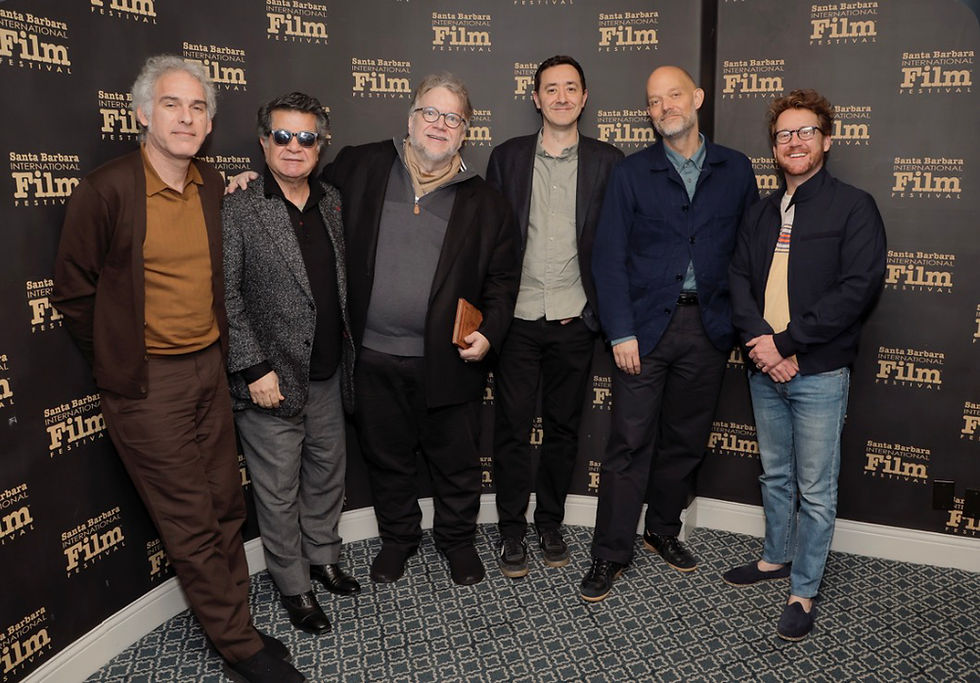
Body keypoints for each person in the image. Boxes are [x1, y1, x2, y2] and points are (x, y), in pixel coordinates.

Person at [52, 55, 304, 682]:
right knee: (190, 520)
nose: (187, 117)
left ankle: (237, 622)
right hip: (146, 385)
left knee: (223, 505)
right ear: (142, 113)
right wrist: (117, 353)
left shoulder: (214, 184)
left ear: (210, 123)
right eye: (172, 104)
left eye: (198, 107)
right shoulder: (107, 190)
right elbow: (75, 294)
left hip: (208, 371)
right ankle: (240, 648)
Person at [322, 73, 520, 585]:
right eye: (429, 113)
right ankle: (398, 540)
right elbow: (300, 197)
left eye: (452, 117)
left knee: (455, 463)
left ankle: (457, 542)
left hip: (448, 361)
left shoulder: (488, 203)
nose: (439, 125)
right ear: (410, 120)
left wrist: (491, 332)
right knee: (387, 460)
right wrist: (248, 181)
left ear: (465, 132)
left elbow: (502, 283)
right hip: (371, 356)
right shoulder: (359, 166)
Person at [582, 65, 758, 602]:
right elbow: (608, 258)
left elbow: (749, 255)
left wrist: (740, 326)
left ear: (698, 98)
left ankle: (662, 530)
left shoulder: (736, 169)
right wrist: (620, 332)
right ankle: (610, 553)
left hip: (708, 327)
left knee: (685, 439)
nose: (664, 107)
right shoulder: (632, 173)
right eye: (654, 101)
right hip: (643, 328)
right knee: (629, 443)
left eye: (674, 96)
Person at [725, 89, 885, 641]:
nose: (794, 141)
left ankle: (804, 589)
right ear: (774, 147)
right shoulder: (761, 211)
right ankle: (775, 558)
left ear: (828, 138)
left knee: (815, 489)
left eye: (805, 131)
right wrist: (761, 344)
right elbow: (738, 283)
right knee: (775, 473)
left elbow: (856, 290)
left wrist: (788, 344)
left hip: (816, 370)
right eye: (783, 134)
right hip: (764, 366)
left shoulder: (854, 207)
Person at [222, 92, 359, 637]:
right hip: (270, 379)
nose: (293, 147)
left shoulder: (331, 201)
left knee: (327, 473)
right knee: (277, 491)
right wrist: (254, 368)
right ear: (264, 142)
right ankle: (294, 586)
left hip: (326, 371)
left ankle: (324, 557)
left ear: (321, 146)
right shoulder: (241, 204)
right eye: (282, 136)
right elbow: (226, 295)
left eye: (306, 138)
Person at [485, 55, 623, 578]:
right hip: (517, 320)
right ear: (536, 98)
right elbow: (491, 240)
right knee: (513, 431)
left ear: (584, 98)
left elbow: (617, 246)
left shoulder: (610, 162)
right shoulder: (508, 158)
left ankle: (550, 523)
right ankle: (512, 532)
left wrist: (594, 313)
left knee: (565, 431)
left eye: (571, 88)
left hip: (574, 319)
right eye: (551, 88)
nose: (561, 96)